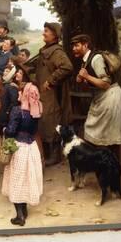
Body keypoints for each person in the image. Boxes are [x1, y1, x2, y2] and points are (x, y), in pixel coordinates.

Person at [71, 34, 121, 159]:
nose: (73, 48)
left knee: (111, 136)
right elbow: (93, 83)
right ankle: (103, 166)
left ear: (85, 45)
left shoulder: (96, 59)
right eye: (73, 46)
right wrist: (84, 80)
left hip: (110, 97)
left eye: (77, 45)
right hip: (102, 98)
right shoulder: (87, 60)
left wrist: (86, 77)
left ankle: (112, 168)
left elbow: (105, 83)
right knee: (96, 132)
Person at [1, 67, 43, 226]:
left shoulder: (17, 110)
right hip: (31, 147)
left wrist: (5, 129)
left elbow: (11, 131)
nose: (19, 94)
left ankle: (20, 216)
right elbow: (34, 129)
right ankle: (24, 210)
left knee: (17, 180)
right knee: (27, 179)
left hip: (18, 147)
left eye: (21, 92)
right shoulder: (37, 109)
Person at [33, 22, 73, 166]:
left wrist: (50, 80)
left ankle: (55, 155)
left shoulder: (56, 52)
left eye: (47, 31)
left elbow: (67, 67)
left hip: (52, 94)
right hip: (43, 93)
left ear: (55, 36)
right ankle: (47, 153)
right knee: (43, 121)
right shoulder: (46, 49)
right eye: (43, 30)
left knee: (51, 120)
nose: (43, 33)